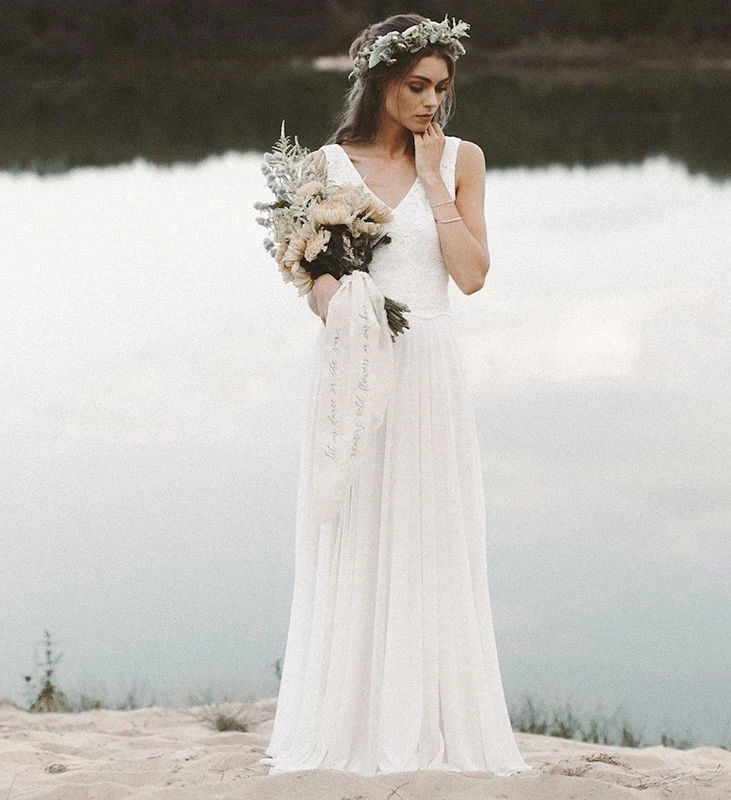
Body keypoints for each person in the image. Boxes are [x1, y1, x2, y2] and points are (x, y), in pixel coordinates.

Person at [260, 14, 532, 777]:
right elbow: (312, 279)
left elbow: (471, 276)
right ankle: (350, 723)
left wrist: (435, 179)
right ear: (380, 82)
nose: (431, 102)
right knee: (355, 526)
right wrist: (344, 307)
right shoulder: (324, 166)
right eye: (417, 86)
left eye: (441, 88)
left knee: (429, 530)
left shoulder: (463, 159)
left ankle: (426, 720)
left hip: (431, 366)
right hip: (355, 364)